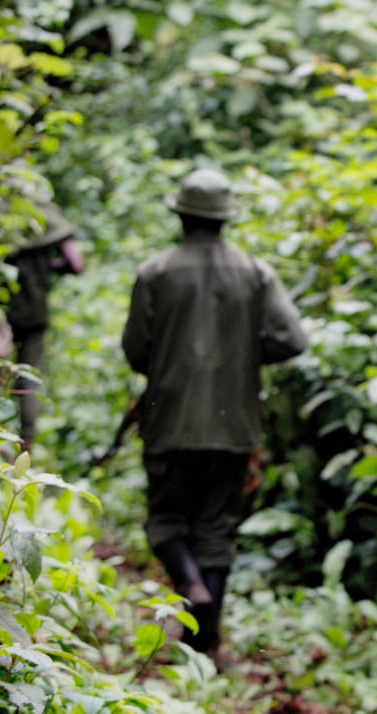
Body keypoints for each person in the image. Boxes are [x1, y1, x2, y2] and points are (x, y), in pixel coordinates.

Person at [121, 168, 307, 662]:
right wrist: (245, 352)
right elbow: (293, 339)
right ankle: (206, 644)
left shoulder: (155, 272)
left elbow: (136, 350)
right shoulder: (255, 272)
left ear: (180, 214)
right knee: (216, 531)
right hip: (234, 424)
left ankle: (187, 582)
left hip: (169, 422)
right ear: (226, 219)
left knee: (166, 520)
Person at [5, 202, 85, 452]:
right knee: (28, 377)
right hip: (34, 313)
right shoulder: (42, 214)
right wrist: (50, 267)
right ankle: (25, 445)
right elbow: (76, 263)